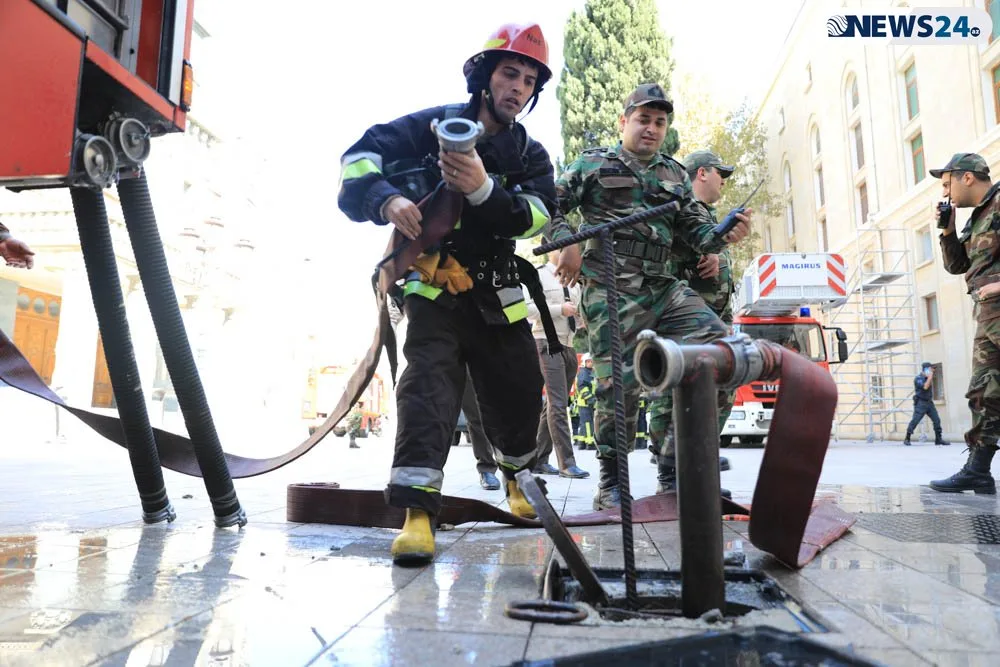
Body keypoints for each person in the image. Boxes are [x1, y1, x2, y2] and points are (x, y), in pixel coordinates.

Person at [337, 23, 558, 563]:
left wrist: (482, 187)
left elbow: (535, 217)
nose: (518, 88)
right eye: (509, 73)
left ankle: (518, 483)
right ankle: (417, 514)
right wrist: (387, 199)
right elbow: (358, 158)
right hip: (434, 287)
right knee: (428, 390)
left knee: (518, 386)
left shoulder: (530, 155)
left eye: (529, 80)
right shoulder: (424, 129)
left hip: (499, 288)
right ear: (483, 77)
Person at [549, 84, 752, 510]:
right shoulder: (593, 164)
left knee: (723, 355)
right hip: (611, 286)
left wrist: (722, 235)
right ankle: (612, 481)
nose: (652, 129)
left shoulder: (675, 175)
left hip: (664, 287)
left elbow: (697, 233)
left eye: (660, 122)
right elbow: (549, 204)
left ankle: (675, 470)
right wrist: (564, 241)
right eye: (643, 120)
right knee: (618, 387)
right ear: (624, 122)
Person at [648, 150, 735, 491]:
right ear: (701, 173)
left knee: (719, 382)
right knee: (673, 394)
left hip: (709, 320)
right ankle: (672, 473)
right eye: (719, 172)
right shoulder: (680, 211)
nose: (723, 179)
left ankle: (695, 465)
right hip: (681, 322)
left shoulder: (706, 217)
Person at [930, 152, 1000, 494]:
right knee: (985, 392)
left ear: (967, 177)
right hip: (988, 316)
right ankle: (978, 470)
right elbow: (958, 267)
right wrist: (947, 229)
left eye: (948, 184)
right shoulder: (977, 216)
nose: (946, 194)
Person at [526, 249, 589, 479]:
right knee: (558, 403)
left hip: (569, 345)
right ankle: (567, 463)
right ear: (550, 248)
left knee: (553, 405)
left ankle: (539, 460)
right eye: (562, 247)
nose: (569, 252)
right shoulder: (537, 275)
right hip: (546, 342)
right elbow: (525, 309)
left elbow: (578, 310)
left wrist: (580, 319)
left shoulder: (574, 279)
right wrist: (558, 310)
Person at [459, 367, 501, 490]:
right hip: (438, 354)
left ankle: (486, 467)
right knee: (437, 415)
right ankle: (427, 470)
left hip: (469, 356)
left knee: (477, 416)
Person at [904, 362, 948, 447]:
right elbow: (925, 387)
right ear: (926, 369)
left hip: (929, 403)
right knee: (915, 420)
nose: (932, 370)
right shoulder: (918, 378)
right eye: (930, 369)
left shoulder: (928, 377)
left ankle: (938, 439)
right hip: (921, 403)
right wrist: (930, 377)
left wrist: (930, 377)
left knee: (937, 420)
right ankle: (907, 438)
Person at [574, 354, 597, 450]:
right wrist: (590, 399)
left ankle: (581, 443)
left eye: (591, 361)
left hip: (588, 402)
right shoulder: (584, 373)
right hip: (585, 402)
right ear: (584, 362)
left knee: (584, 423)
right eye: (588, 361)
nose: (590, 363)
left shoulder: (590, 372)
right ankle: (590, 443)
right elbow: (582, 387)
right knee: (588, 423)